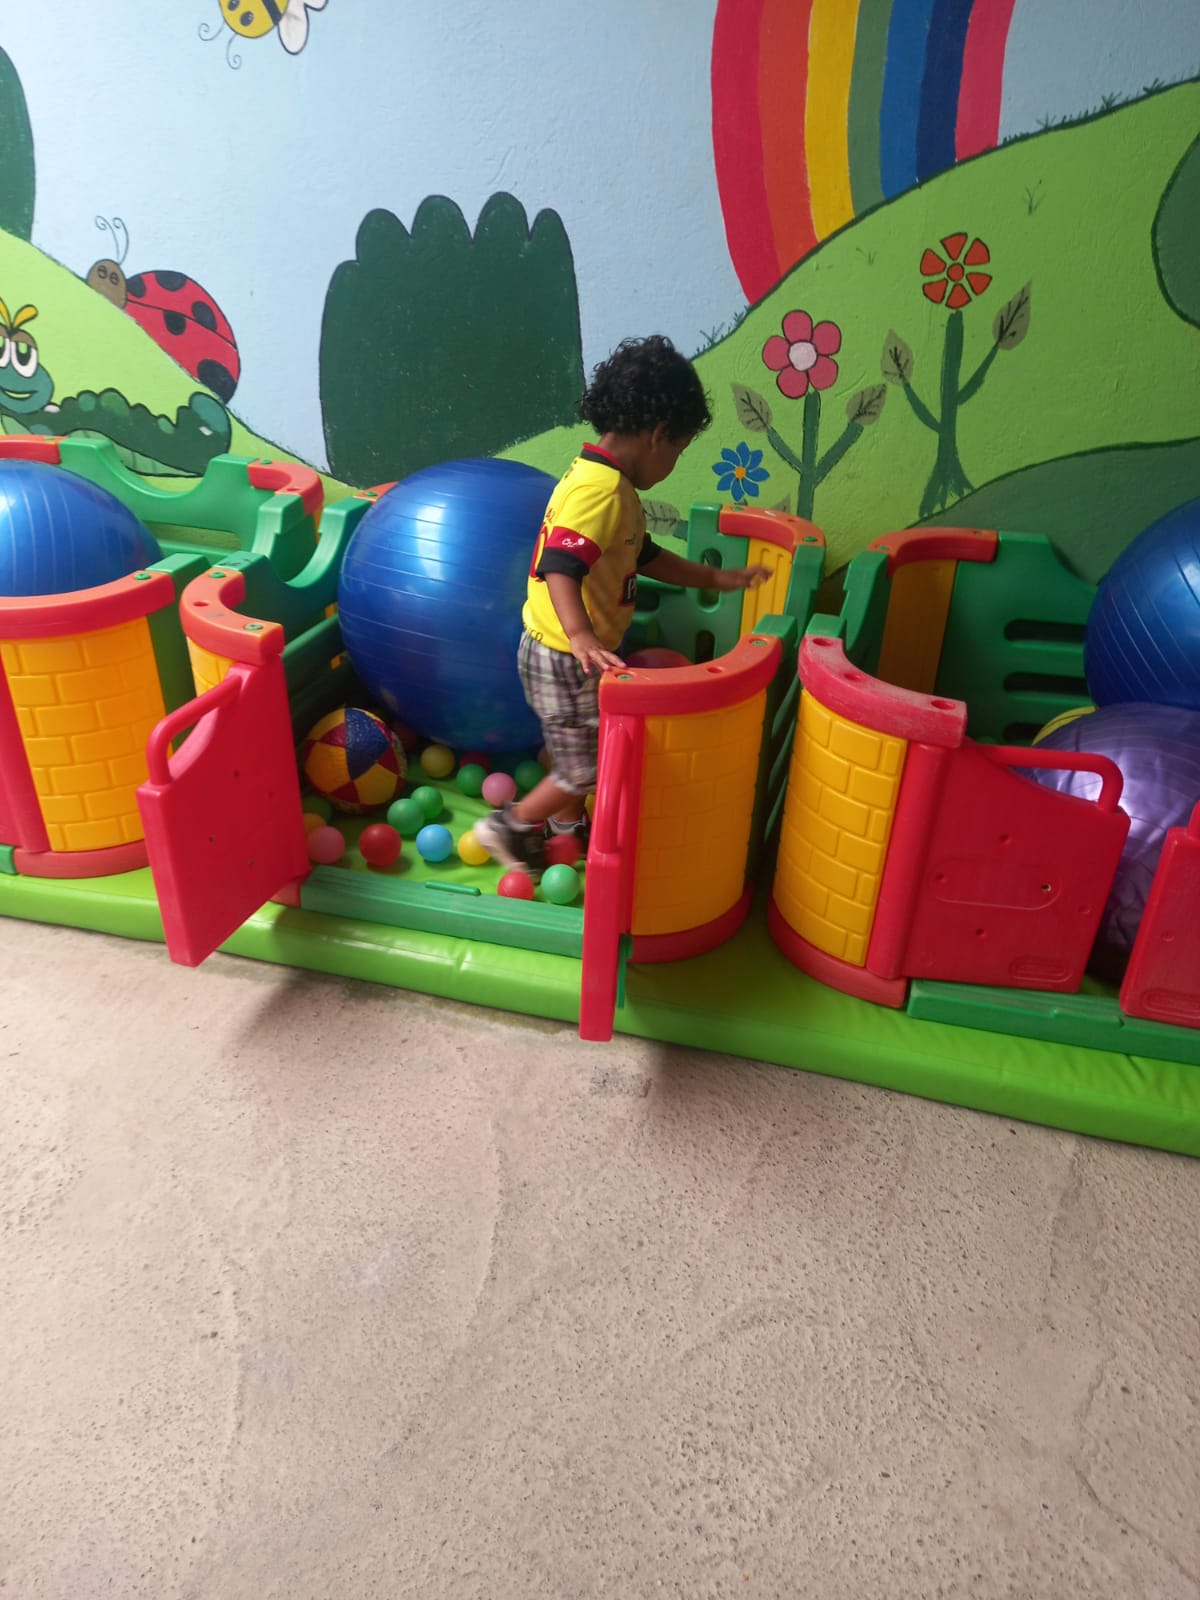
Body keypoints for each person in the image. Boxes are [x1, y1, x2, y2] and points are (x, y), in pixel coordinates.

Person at [474, 333, 769, 878]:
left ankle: (564, 829)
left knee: (578, 749)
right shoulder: (602, 491)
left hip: (570, 652)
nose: (673, 463)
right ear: (658, 434)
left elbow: (643, 554)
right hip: (564, 654)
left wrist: (712, 577)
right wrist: (582, 635)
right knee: (585, 767)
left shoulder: (607, 482)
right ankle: (510, 825)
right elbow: (560, 566)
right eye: (678, 450)